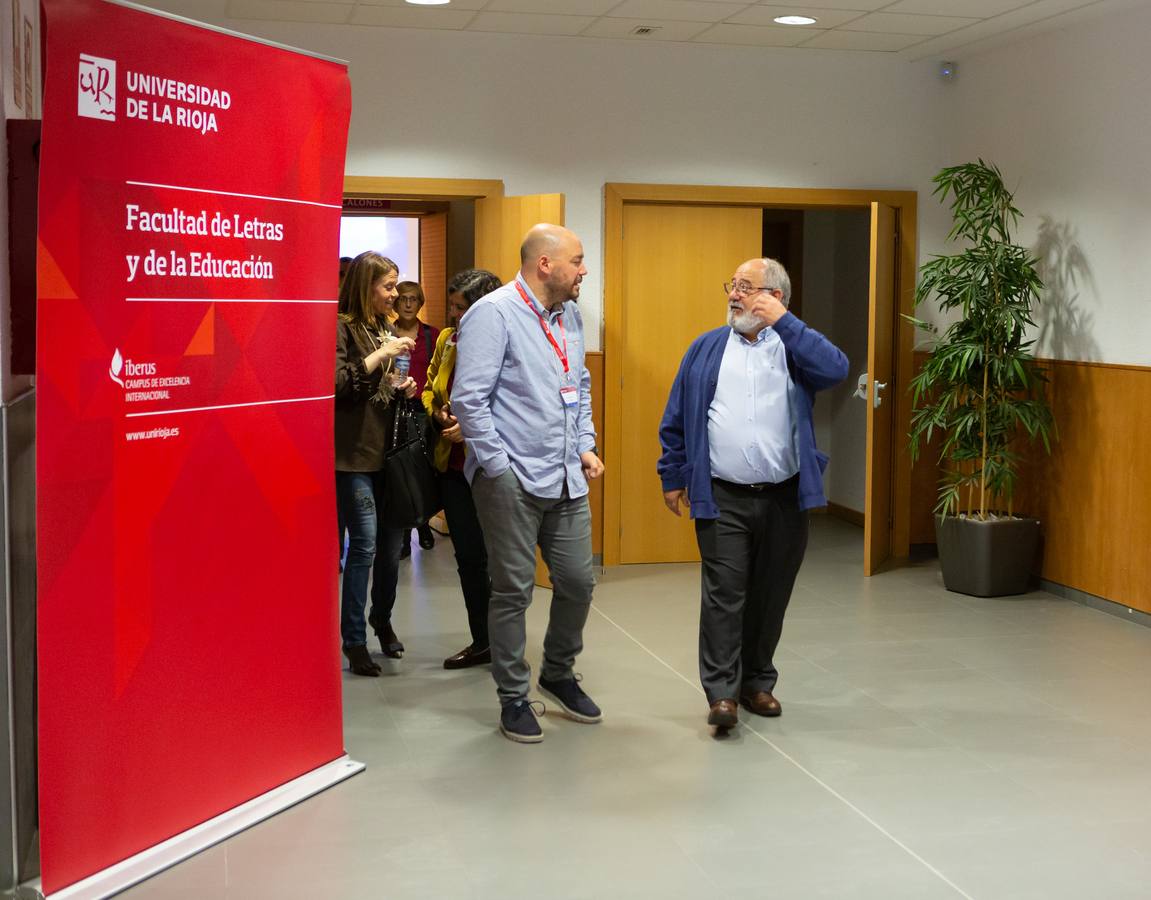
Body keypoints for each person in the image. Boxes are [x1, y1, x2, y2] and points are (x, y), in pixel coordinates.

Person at [656, 257, 848, 730]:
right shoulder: (705, 348)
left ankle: (757, 683)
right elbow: (676, 417)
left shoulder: (794, 348)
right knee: (725, 594)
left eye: (747, 287)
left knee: (770, 593)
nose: (734, 295)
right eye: (733, 285)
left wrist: (785, 324)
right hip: (722, 495)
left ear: (775, 298)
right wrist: (672, 474)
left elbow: (837, 368)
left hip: (785, 496)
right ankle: (722, 693)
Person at [452, 224, 605, 744]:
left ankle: (558, 672)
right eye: (578, 260)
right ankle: (513, 696)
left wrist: (584, 443)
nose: (584, 270)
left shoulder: (571, 314)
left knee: (579, 582)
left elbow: (578, 384)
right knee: (513, 591)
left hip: (565, 474)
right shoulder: (492, 314)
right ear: (546, 264)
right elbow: (469, 399)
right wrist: (498, 468)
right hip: (511, 479)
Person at [335, 252, 420, 676]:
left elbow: (379, 386)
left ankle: (381, 620)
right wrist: (379, 355)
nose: (395, 294)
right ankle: (353, 640)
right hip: (353, 458)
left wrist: (401, 385)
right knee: (364, 547)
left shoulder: (381, 328)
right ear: (366, 286)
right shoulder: (343, 327)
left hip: (390, 457)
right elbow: (336, 384)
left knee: (390, 551)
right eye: (388, 287)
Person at [422, 268, 503, 670]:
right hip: (452, 468)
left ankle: (506, 641)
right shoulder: (446, 339)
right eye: (452, 306)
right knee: (469, 558)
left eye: (461, 307)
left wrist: (469, 431)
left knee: (501, 558)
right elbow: (429, 386)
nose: (454, 315)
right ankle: (483, 640)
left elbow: (512, 406)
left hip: (492, 467)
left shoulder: (506, 341)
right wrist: (438, 414)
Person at [392, 281, 441, 557]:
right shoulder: (386, 335)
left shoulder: (431, 336)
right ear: (395, 303)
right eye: (403, 299)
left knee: (422, 469)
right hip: (394, 409)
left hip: (422, 413)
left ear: (420, 303)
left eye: (413, 299)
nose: (408, 304)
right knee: (400, 472)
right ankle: (403, 532)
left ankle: (421, 522)